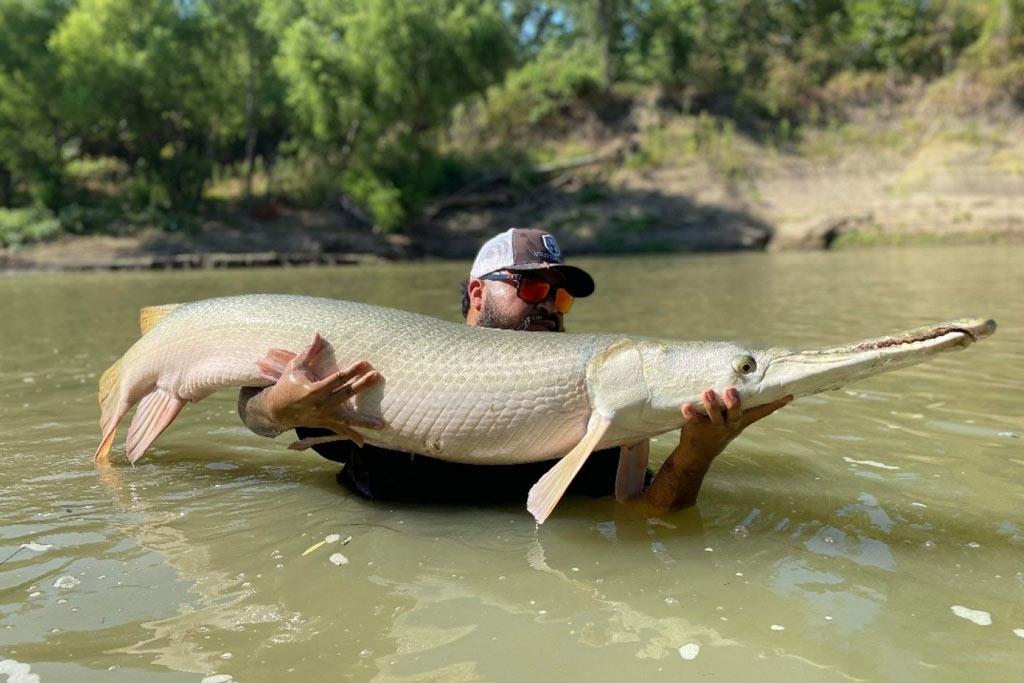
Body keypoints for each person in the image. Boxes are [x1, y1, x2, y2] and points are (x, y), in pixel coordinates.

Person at [237, 228, 791, 507]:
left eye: (562, 296)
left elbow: (648, 520)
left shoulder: (599, 415)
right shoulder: (389, 367)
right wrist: (278, 407)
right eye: (531, 286)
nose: (550, 303)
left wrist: (696, 454)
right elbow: (252, 411)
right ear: (478, 293)